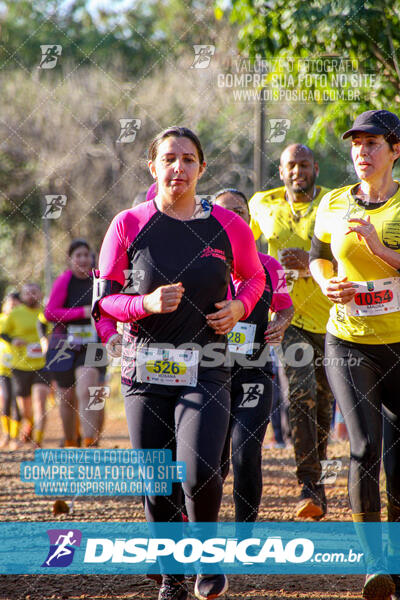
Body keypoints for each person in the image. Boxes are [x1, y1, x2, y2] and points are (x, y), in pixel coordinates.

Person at [93, 126, 265, 600]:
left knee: (200, 470)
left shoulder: (228, 227)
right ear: (153, 167)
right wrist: (143, 305)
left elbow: (254, 279)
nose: (178, 168)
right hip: (143, 369)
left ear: (201, 168)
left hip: (207, 363)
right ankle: (172, 577)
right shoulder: (128, 224)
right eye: (169, 159)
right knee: (157, 478)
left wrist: (240, 308)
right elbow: (104, 300)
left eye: (189, 160)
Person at [309, 109, 400, 600]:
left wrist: (381, 250)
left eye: (373, 144)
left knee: (399, 461)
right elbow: (318, 254)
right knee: (363, 446)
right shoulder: (334, 203)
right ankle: (375, 563)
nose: (362, 153)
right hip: (348, 341)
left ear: (395, 150)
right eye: (356, 144)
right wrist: (326, 282)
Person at [249, 144, 333, 519]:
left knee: (323, 403)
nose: (297, 171)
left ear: (315, 167)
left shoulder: (334, 203)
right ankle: (308, 485)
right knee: (300, 393)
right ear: (281, 171)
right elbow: (240, 247)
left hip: (333, 318)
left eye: (304, 164)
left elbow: (353, 252)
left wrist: (315, 261)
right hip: (288, 317)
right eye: (290, 166)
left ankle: (316, 477)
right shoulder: (261, 205)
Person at [213, 188, 293, 523]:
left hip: (254, 375)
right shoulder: (200, 267)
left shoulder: (270, 266)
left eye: (241, 212)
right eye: (225, 213)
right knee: (212, 462)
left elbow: (286, 309)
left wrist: (280, 323)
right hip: (209, 377)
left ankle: (244, 538)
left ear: (251, 219)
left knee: (246, 454)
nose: (235, 218)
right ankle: (202, 536)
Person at [44, 239, 105, 448]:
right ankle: (71, 440)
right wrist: (81, 312)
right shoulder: (64, 281)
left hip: (93, 344)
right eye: (77, 255)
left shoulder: (97, 280)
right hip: (63, 345)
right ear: (70, 260)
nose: (82, 259)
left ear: (92, 258)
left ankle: (90, 441)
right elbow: (50, 312)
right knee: (67, 397)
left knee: (88, 387)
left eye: (86, 255)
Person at [0, 283, 50, 447]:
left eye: (34, 292)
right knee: (25, 410)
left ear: (40, 294)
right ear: (22, 296)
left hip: (43, 364)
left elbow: (56, 331)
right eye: (27, 293)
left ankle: (38, 441)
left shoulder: (46, 313)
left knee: (40, 402)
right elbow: (3, 332)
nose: (31, 295)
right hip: (20, 366)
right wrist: (14, 340)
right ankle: (26, 426)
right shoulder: (15, 314)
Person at [0, 292, 22, 449]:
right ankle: (6, 435)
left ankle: (15, 437)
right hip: (2, 368)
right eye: (10, 304)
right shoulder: (1, 320)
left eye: (16, 305)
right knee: (6, 400)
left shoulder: (20, 320)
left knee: (17, 402)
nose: (13, 307)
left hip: (19, 366)